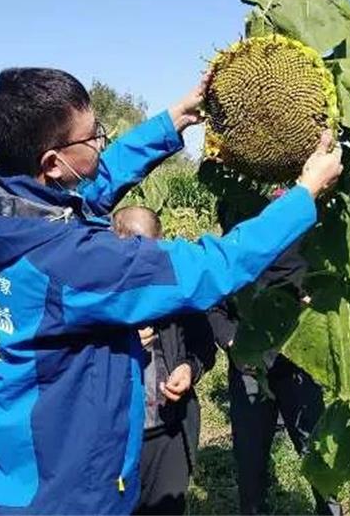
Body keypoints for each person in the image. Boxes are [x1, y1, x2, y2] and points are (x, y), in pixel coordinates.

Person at [0, 67, 342, 515]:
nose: (101, 144)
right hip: (70, 489)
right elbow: (212, 267)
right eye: (93, 137)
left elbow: (93, 183)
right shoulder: (72, 264)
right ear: (52, 162)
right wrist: (305, 194)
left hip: (17, 466)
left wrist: (175, 120)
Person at [208, 189, 341, 516]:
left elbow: (328, 291)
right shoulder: (234, 253)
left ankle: (331, 510)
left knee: (316, 448)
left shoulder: (307, 248)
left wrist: (315, 311)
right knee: (251, 457)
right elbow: (213, 304)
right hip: (250, 365)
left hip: (298, 362)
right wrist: (234, 344)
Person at [111, 206, 216, 516]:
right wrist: (121, 346)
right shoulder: (97, 295)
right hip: (116, 441)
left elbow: (203, 345)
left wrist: (189, 367)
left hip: (171, 430)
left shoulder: (176, 290)